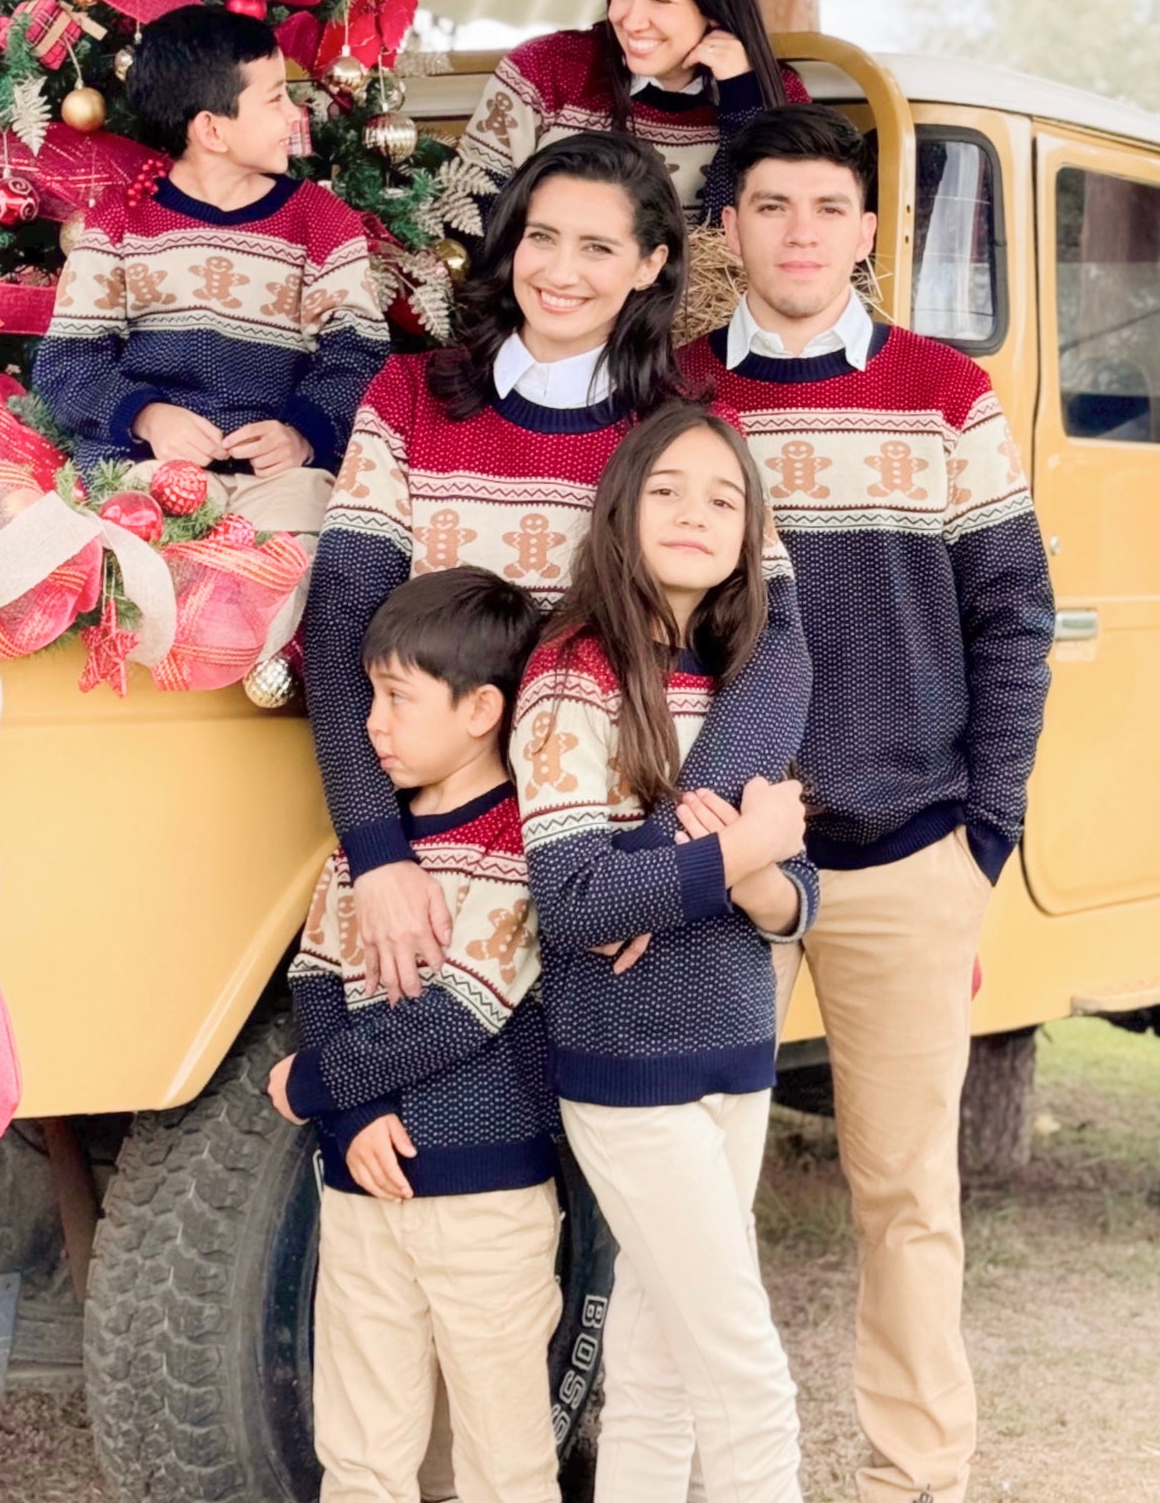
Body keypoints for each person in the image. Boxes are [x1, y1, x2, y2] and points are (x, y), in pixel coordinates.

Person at [679, 104, 1056, 1503]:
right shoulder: (678, 397)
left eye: (825, 208)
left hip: (910, 852)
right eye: (769, 206)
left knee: (904, 1197)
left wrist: (986, 831)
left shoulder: (944, 394)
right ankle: (705, 1472)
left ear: (867, 231)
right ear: (730, 228)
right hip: (723, 854)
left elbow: (1013, 611)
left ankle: (916, 1477)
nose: (798, 232)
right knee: (691, 1196)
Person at [304, 130, 806, 1004]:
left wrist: (655, 866)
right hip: (440, 864)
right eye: (541, 237)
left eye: (598, 247)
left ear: (649, 265)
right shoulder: (408, 399)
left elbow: (774, 649)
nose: (560, 271)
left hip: (608, 863)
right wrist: (376, 854)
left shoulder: (683, 425)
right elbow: (341, 621)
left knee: (603, 1133)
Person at [511, 401, 816, 1503]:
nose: (695, 514)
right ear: (618, 511)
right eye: (667, 491)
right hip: (628, 1064)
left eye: (723, 498)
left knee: (658, 1368)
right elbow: (572, 896)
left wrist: (754, 868)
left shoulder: (744, 687)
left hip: (738, 1049)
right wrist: (725, 855)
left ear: (751, 535)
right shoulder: (570, 677)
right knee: (744, 1369)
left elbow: (791, 891)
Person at [268, 565, 562, 1503]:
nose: (371, 724)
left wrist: (313, 1088)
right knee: (359, 1450)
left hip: (486, 1198)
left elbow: (462, 1013)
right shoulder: (370, 849)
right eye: (369, 696)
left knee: (502, 1455)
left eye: (396, 697)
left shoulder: (519, 845)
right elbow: (315, 976)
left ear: (481, 710)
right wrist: (350, 1120)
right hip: (362, 1189)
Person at [34, 3, 386, 538]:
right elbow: (68, 361)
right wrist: (146, 418)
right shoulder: (120, 223)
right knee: (136, 565)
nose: (297, 114)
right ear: (212, 131)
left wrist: (303, 434)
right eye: (275, 99)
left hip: (281, 479)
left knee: (310, 554)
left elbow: (357, 356)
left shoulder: (321, 222)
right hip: (145, 468)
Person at [454, 0, 811, 233]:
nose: (631, 19)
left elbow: (745, 239)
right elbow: (466, 217)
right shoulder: (544, 69)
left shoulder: (778, 94)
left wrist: (741, 101)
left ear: (713, 8)